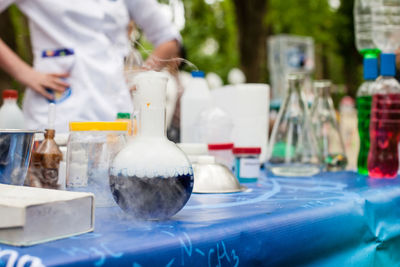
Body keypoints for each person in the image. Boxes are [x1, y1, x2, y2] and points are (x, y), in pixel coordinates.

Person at [0, 0, 181, 132]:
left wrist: (141, 78)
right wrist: (23, 73)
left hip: (115, 107)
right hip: (59, 108)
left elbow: (169, 38)